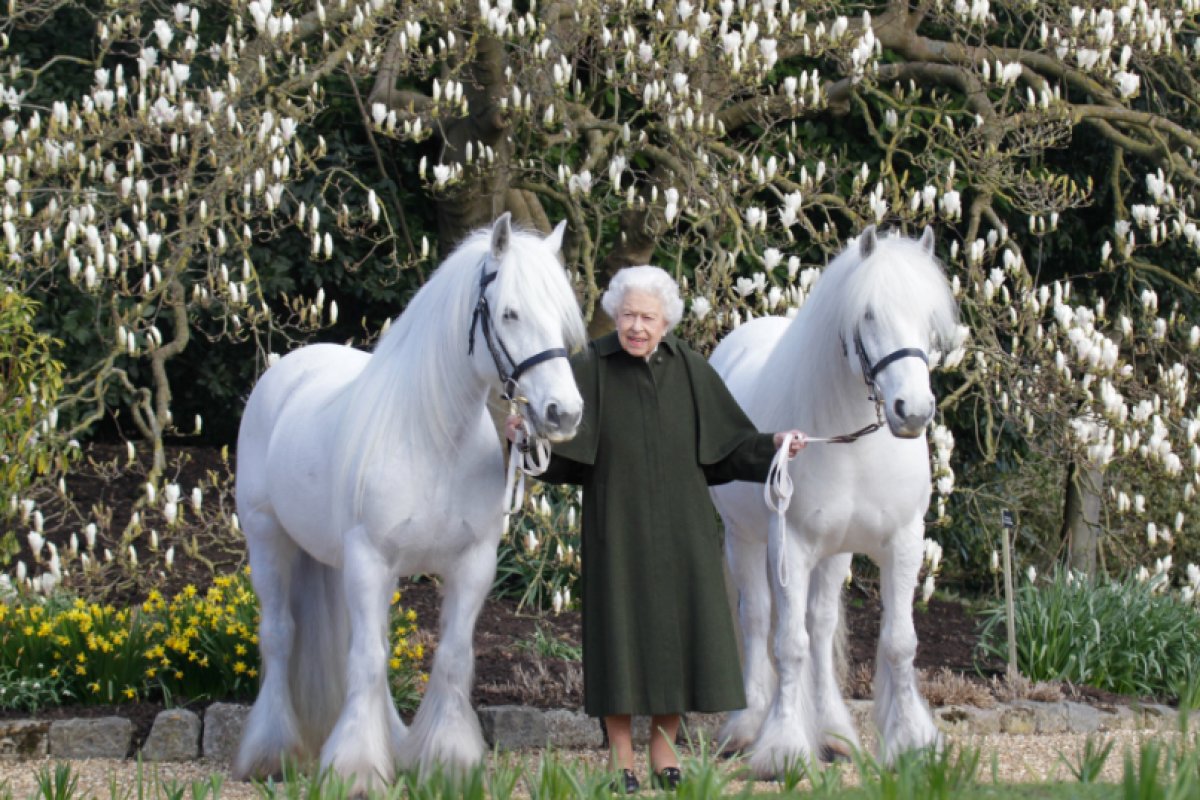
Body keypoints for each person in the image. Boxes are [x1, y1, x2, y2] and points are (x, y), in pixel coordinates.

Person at [507, 266, 806, 793]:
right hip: (614, 526)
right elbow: (560, 456)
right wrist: (524, 440)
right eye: (627, 316)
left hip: (683, 529)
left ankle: (663, 747)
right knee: (618, 638)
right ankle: (621, 754)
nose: (636, 327)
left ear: (666, 320)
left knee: (679, 638)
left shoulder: (690, 368)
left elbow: (730, 447)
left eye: (647, 317)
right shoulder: (591, 367)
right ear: (614, 317)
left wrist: (777, 444)